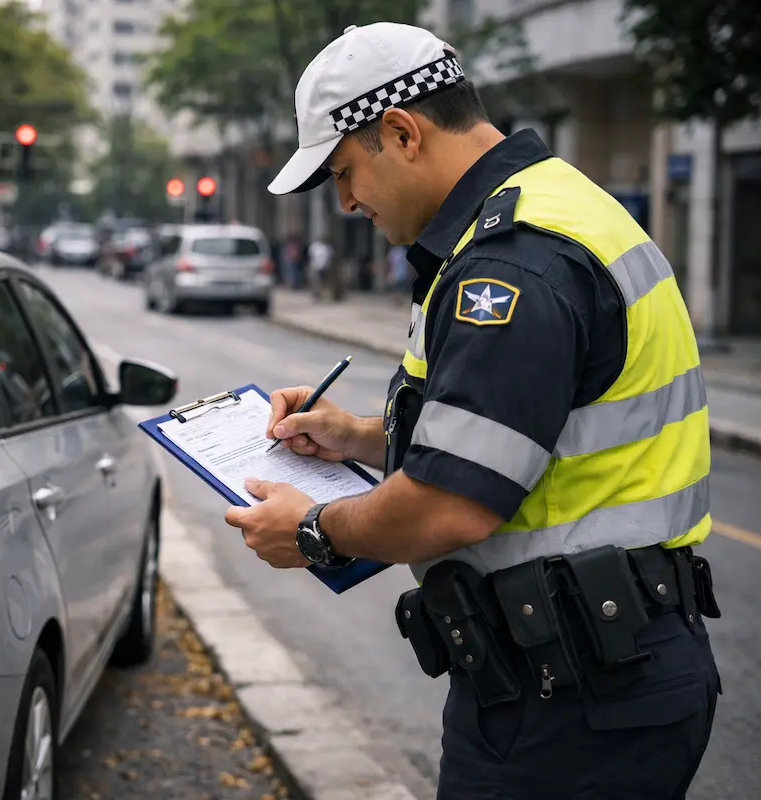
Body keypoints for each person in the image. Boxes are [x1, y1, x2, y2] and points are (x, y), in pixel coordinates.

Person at [223, 21, 721, 799]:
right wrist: (356, 435)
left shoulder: (512, 263)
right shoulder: (555, 207)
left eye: (346, 172)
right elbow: (532, 429)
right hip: (601, 669)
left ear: (402, 131)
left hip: (575, 698)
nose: (348, 201)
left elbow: (450, 508)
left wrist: (314, 530)